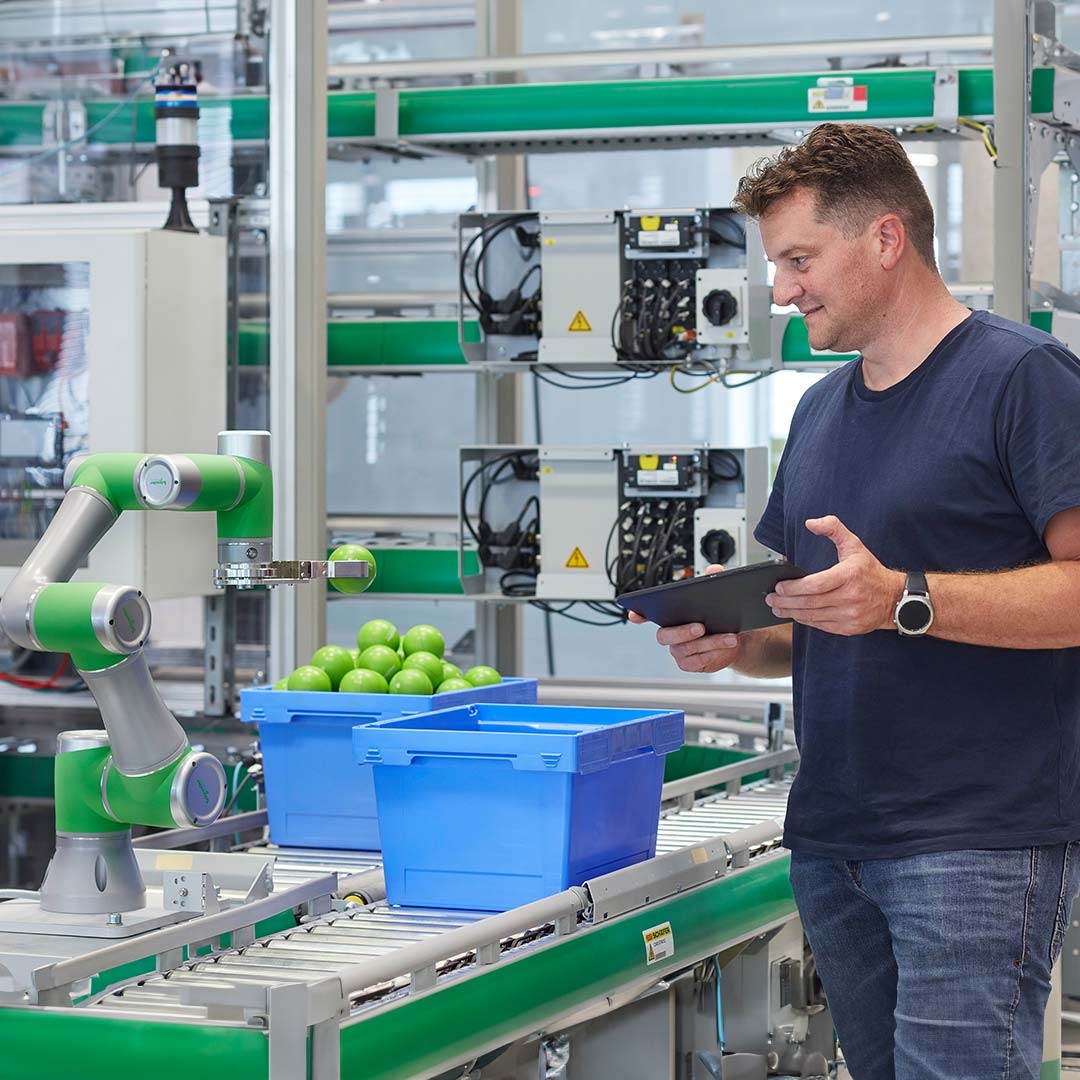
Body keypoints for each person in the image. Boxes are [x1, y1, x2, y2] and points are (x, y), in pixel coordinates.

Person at [632, 122, 1080, 1080]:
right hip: (834, 841)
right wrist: (731, 640)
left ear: (886, 238)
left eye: (800, 259)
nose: (784, 289)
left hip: (975, 844)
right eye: (776, 265)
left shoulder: (1020, 378)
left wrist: (902, 600)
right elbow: (817, 622)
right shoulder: (819, 411)